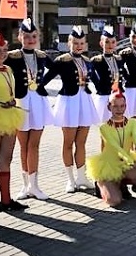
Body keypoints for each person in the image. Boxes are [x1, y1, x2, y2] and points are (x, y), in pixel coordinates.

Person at [41, 26, 98, 193]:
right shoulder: (62, 60)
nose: (78, 46)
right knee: (68, 143)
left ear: (85, 44)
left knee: (81, 143)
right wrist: (36, 92)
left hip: (84, 101)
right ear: (69, 43)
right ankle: (70, 179)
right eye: (75, 43)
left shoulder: (87, 61)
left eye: (81, 43)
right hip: (69, 102)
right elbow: (45, 79)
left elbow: (97, 81)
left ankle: (81, 177)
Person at [5, 17, 53, 201]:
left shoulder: (42, 56)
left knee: (34, 145)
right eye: (26, 36)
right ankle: (25, 186)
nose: (30, 40)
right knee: (23, 145)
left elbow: (57, 69)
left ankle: (35, 185)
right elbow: (3, 75)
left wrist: (42, 83)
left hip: (38, 101)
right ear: (19, 37)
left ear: (38, 37)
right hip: (21, 102)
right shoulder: (12, 56)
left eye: (33, 36)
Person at [0, 32, 27, 213]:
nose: (2, 54)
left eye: (5, 50)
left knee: (6, 159)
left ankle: (7, 200)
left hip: (10, 117)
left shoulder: (8, 69)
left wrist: (12, 101)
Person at [86, 92, 136, 207]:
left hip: (125, 163)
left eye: (122, 106)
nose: (119, 109)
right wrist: (130, 161)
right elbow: (116, 147)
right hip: (109, 165)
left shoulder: (133, 122)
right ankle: (100, 183)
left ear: (125, 106)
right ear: (109, 107)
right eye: (115, 106)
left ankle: (120, 184)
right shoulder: (104, 128)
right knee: (115, 201)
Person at [90, 26, 124, 123]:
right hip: (104, 96)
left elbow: (124, 73)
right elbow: (90, 73)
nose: (110, 45)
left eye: (113, 42)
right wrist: (98, 86)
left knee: (119, 123)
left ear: (116, 43)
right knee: (105, 124)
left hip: (118, 96)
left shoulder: (119, 59)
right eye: (107, 42)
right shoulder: (97, 60)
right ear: (101, 43)